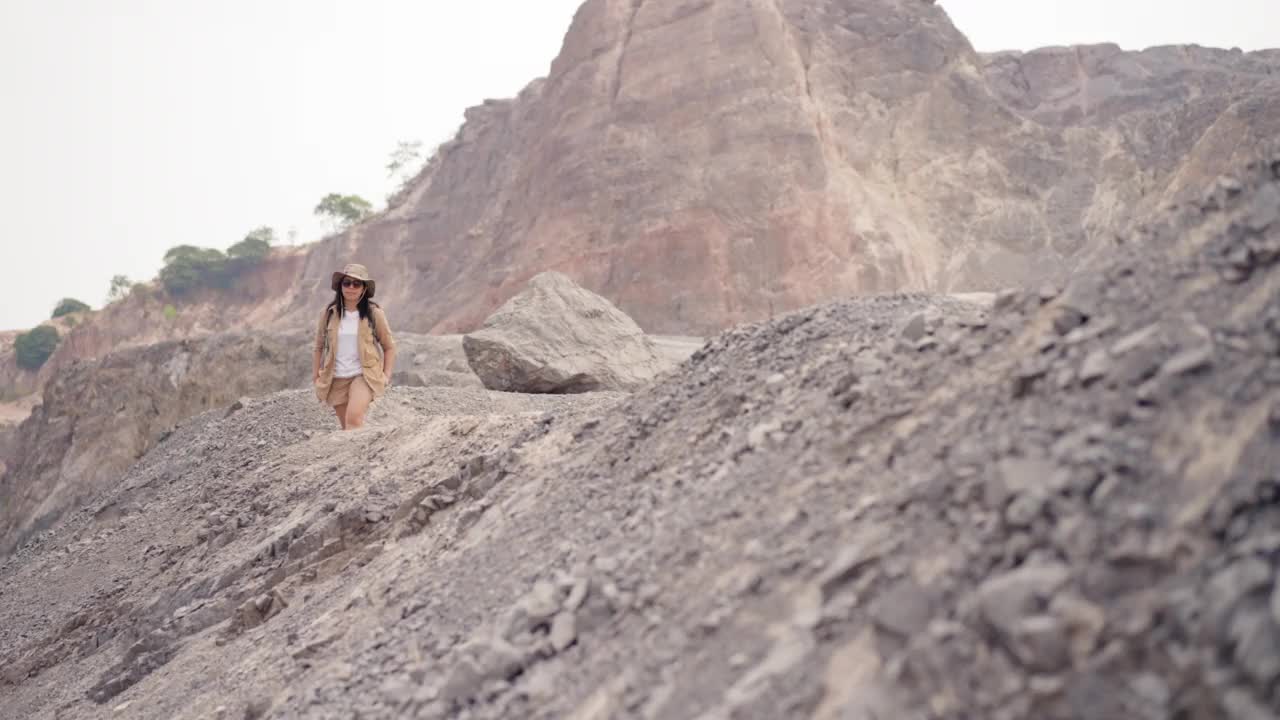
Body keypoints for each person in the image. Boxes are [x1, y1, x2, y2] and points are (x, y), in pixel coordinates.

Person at [312, 263, 397, 430]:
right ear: (340, 286)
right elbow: (318, 347)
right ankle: (361, 456)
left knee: (353, 420)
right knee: (347, 429)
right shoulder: (329, 314)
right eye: (347, 282)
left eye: (357, 283)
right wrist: (315, 376)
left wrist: (386, 375)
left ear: (364, 289)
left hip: (363, 375)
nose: (351, 287)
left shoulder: (374, 314)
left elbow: (389, 346)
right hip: (336, 378)